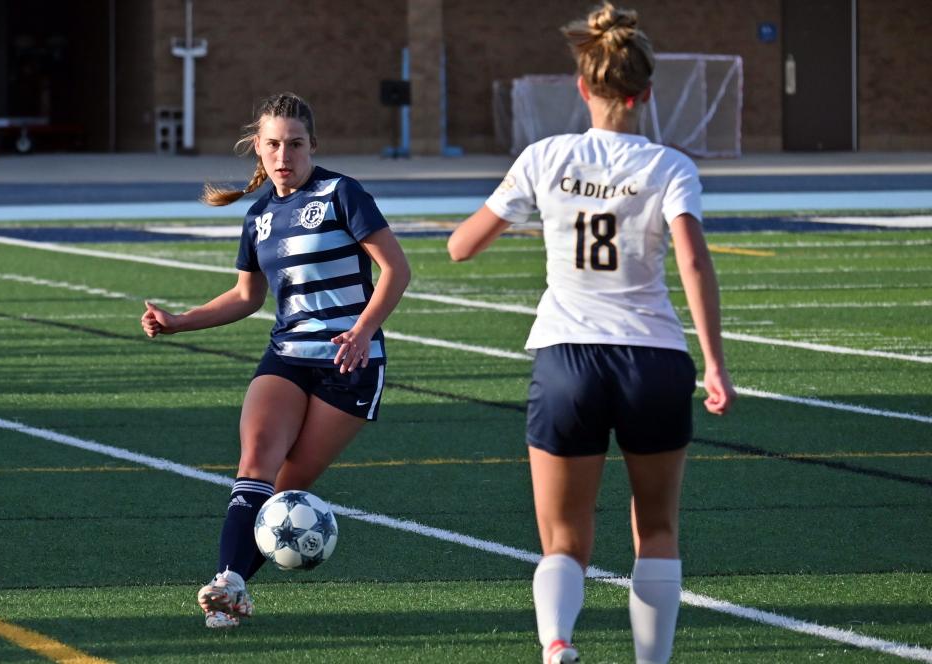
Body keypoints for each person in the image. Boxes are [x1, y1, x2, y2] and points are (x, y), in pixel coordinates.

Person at [447, 4, 735, 663]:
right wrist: (715, 364)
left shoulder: (546, 156)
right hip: (654, 358)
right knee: (657, 528)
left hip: (566, 360)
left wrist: (547, 208)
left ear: (583, 86)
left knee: (564, 539)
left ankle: (557, 644)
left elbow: (463, 246)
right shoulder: (670, 166)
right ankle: (650, 661)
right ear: (647, 92)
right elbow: (693, 259)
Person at [140, 92, 411, 629]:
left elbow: (396, 271)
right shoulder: (260, 214)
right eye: (273, 144)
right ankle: (229, 584)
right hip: (286, 356)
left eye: (295, 144)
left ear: (313, 146)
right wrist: (178, 320)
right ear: (257, 149)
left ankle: (235, 583)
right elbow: (247, 297)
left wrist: (361, 331)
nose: (284, 154)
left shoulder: (342, 194)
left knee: (288, 488)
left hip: (348, 366)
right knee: (255, 464)